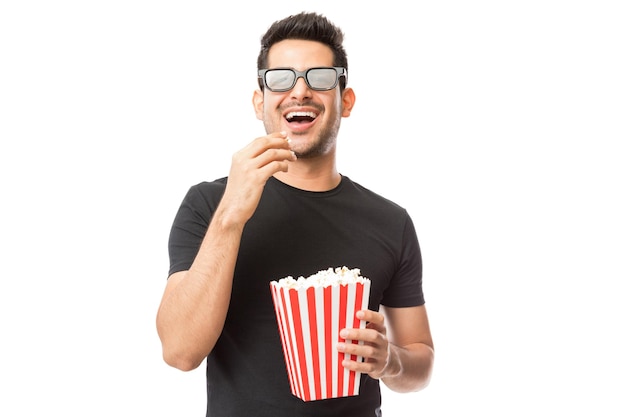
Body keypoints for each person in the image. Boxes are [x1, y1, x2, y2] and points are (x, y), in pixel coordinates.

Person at [156, 11, 434, 417]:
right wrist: (231, 216)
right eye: (281, 78)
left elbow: (420, 358)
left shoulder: (391, 221)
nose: (299, 91)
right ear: (260, 101)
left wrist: (390, 360)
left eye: (320, 77)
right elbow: (179, 352)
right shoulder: (209, 204)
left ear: (346, 100)